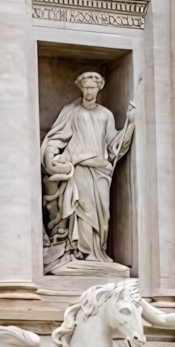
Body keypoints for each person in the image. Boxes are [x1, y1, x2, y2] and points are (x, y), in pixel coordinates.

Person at [41, 71, 134, 263]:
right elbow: (56, 137)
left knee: (103, 214)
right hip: (80, 167)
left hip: (101, 169)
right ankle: (84, 253)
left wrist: (131, 124)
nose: (89, 91)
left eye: (92, 87)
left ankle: (98, 251)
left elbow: (113, 145)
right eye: (86, 87)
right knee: (85, 210)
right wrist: (51, 156)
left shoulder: (105, 114)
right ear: (80, 88)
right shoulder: (72, 112)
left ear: (99, 88)